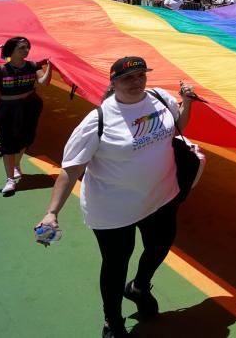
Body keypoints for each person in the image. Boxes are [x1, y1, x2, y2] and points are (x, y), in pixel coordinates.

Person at [38, 57, 196, 338]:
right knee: (116, 263)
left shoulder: (159, 97)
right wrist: (52, 212)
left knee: (160, 245)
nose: (136, 83)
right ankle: (113, 319)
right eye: (128, 78)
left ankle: (138, 287)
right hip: (113, 209)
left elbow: (178, 124)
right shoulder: (98, 120)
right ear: (113, 82)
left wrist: (187, 101)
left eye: (140, 76)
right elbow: (71, 170)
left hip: (160, 196)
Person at [0, 36, 52, 196]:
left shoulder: (34, 66)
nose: (26, 51)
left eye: (27, 47)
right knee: (7, 142)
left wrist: (50, 67)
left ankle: (16, 163)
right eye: (22, 48)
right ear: (11, 51)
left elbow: (43, 82)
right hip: (6, 110)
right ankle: (10, 179)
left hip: (30, 107)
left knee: (26, 139)